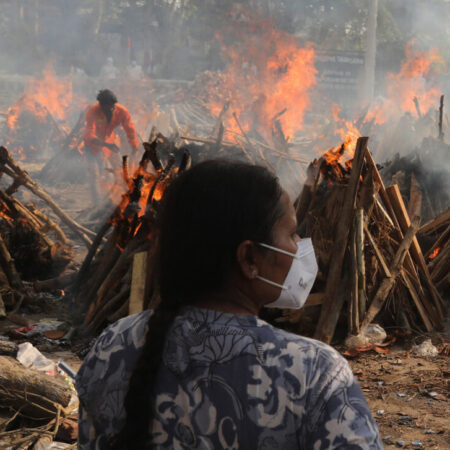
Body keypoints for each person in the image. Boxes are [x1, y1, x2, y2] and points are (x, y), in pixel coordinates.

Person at [76, 160, 382, 449]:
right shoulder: (311, 372)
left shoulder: (112, 348)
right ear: (249, 258)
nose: (299, 245)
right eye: (291, 233)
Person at [83, 89, 140, 202]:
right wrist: (106, 145)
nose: (111, 109)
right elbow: (89, 134)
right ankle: (97, 204)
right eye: (108, 107)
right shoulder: (93, 111)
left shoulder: (122, 111)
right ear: (101, 105)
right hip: (93, 146)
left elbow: (130, 129)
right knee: (94, 175)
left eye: (113, 106)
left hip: (111, 143)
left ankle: (123, 197)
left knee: (120, 170)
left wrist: (134, 145)